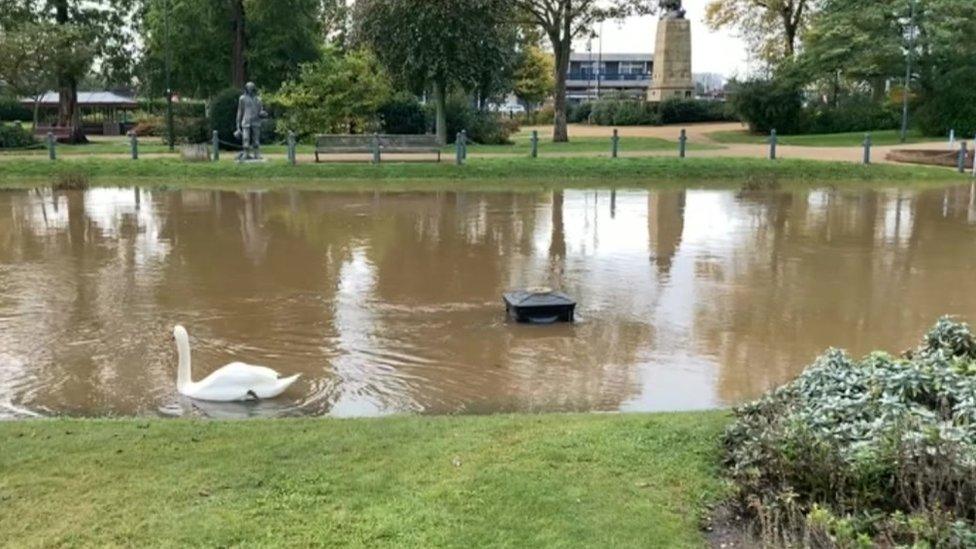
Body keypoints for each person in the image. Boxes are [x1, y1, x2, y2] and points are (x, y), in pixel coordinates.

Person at [235, 82, 267, 161]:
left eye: (252, 88)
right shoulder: (242, 98)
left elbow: (260, 111)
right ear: (246, 89)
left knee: (256, 139)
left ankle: (256, 154)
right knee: (246, 138)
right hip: (246, 121)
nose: (250, 90)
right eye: (249, 88)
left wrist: (263, 114)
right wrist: (238, 125)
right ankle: (246, 153)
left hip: (256, 122)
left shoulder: (258, 99)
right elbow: (240, 112)